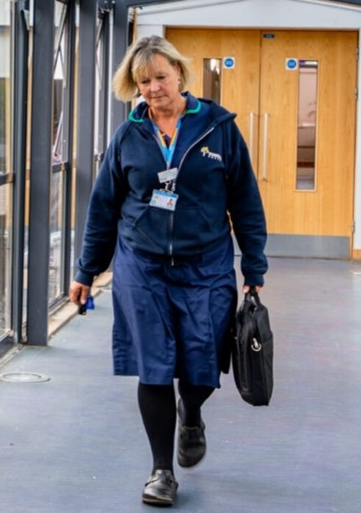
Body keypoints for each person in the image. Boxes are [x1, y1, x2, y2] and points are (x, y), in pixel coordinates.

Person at [69, 35, 267, 507]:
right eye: (143, 82)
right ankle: (161, 470)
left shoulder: (218, 129)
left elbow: (246, 201)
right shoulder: (128, 135)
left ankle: (192, 413)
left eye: (160, 77)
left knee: (202, 364)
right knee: (154, 366)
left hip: (208, 263)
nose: (154, 89)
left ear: (179, 73)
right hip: (142, 264)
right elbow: (103, 208)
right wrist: (87, 269)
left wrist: (253, 265)